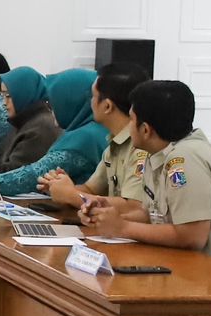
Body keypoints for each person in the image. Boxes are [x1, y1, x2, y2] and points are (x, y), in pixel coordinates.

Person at [79, 80, 211, 271]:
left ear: (145, 130)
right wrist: (109, 216)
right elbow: (152, 215)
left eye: (131, 119)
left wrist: (123, 227)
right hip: (191, 270)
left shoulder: (185, 159)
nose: (128, 126)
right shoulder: (158, 155)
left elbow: (192, 235)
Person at [0, 68, 108, 197]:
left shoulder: (84, 137)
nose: (51, 108)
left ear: (69, 102)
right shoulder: (86, 132)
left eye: (55, 101)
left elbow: (33, 174)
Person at [39, 62, 150, 208]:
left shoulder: (141, 146)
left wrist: (71, 195)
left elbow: (133, 206)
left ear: (107, 106)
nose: (90, 102)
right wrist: (60, 187)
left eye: (93, 96)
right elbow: (90, 189)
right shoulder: (114, 142)